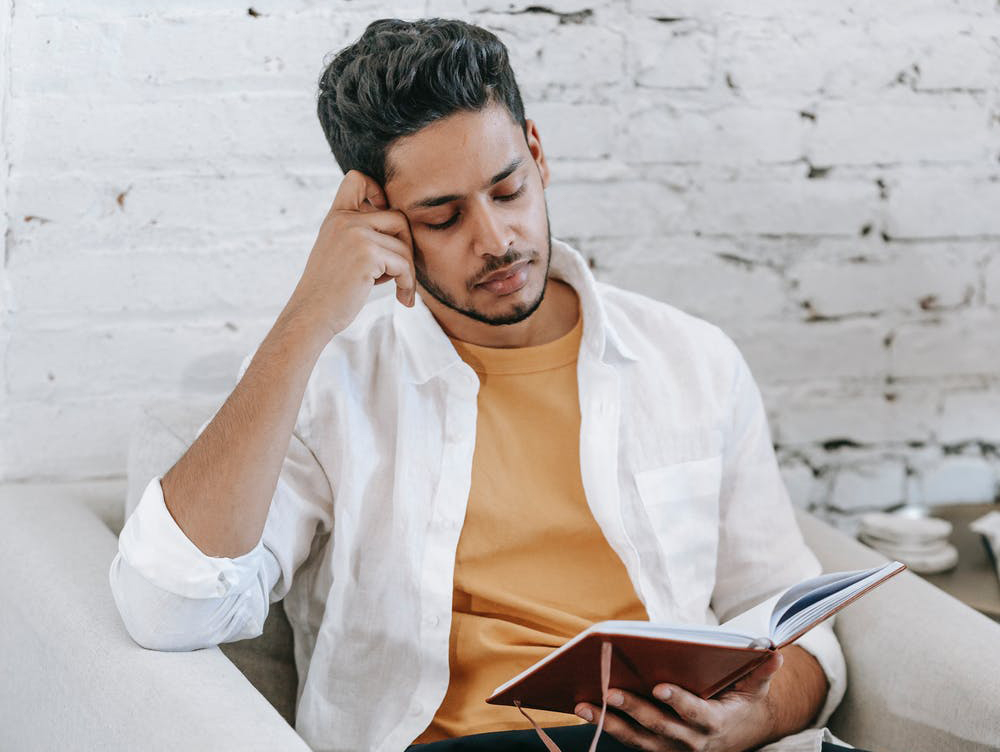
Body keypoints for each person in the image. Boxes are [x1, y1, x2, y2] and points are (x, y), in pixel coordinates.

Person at [109, 17, 866, 752]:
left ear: (536, 154)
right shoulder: (332, 382)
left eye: (507, 190)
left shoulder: (691, 360)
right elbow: (167, 607)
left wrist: (756, 720)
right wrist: (306, 318)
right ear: (378, 218)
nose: (496, 240)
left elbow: (792, 622)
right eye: (442, 216)